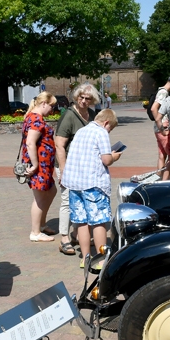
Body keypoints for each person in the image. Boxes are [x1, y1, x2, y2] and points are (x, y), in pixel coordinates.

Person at [61, 109, 121, 267]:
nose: (109, 131)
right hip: (93, 183)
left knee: (81, 222)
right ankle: (101, 259)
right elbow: (106, 160)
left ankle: (85, 257)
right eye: (110, 128)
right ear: (106, 123)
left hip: (75, 183)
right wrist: (114, 156)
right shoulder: (101, 133)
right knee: (99, 222)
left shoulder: (81, 130)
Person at [54, 84, 99, 254]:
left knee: (80, 201)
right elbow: (59, 144)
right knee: (67, 200)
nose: (83, 101)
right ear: (76, 97)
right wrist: (64, 171)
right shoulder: (69, 116)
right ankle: (64, 238)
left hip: (84, 166)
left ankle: (76, 234)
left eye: (87, 98)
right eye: (81, 97)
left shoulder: (92, 115)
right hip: (68, 165)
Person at [21, 91, 58, 242]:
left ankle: (41, 225)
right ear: (44, 104)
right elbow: (30, 143)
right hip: (39, 166)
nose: (52, 110)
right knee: (40, 197)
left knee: (51, 190)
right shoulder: (36, 119)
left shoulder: (33, 117)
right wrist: (35, 164)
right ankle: (35, 232)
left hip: (44, 165)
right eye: (51, 106)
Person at [150, 75, 170, 181]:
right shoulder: (163, 92)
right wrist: (160, 125)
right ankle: (164, 181)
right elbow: (153, 108)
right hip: (163, 127)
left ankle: (157, 179)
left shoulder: (160, 90)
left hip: (159, 128)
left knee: (162, 155)